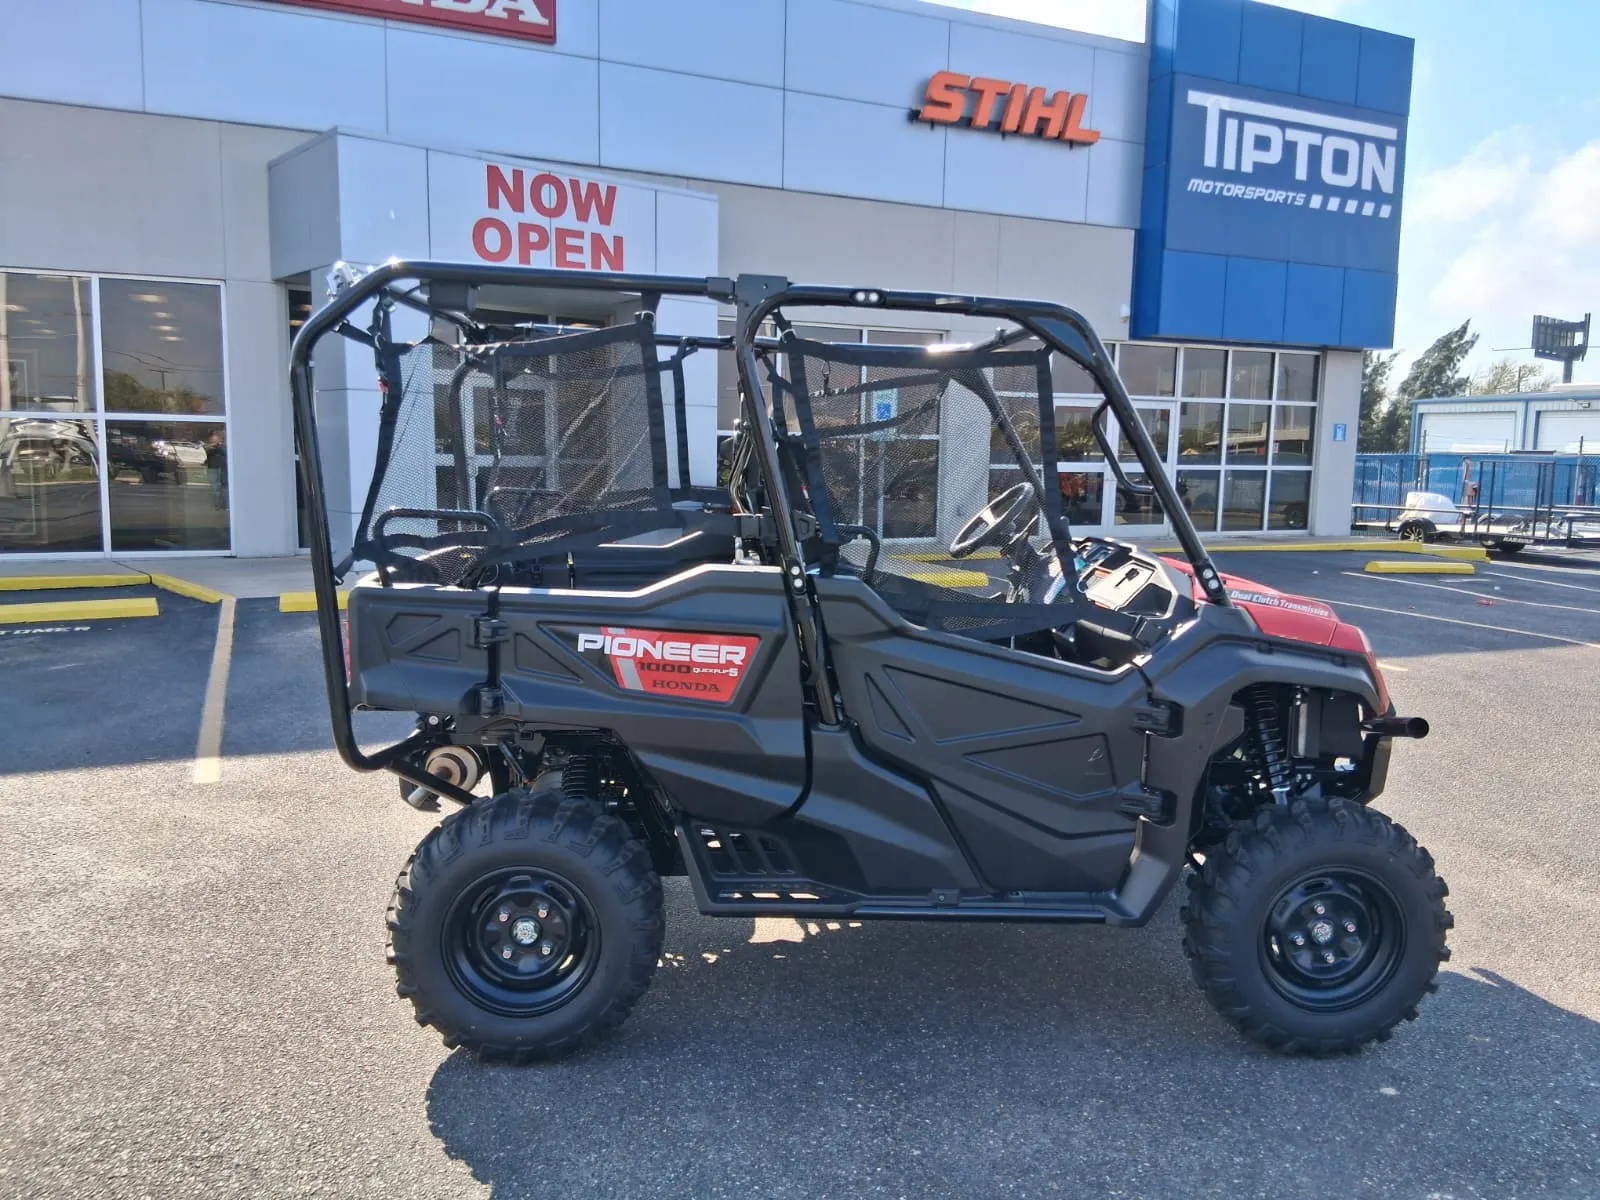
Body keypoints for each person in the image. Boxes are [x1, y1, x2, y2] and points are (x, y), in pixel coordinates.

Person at [205, 431, 228, 510]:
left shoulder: (222, 447)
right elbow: (207, 450)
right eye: (213, 441)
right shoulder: (209, 447)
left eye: (216, 440)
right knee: (215, 488)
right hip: (213, 469)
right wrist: (215, 445)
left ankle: (224, 505)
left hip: (222, 468)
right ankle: (217, 504)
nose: (215, 442)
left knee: (224, 487)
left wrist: (219, 446)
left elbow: (225, 452)